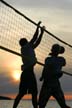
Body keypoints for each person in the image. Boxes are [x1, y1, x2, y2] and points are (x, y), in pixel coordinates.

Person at [13, 21, 45, 108]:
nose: (29, 42)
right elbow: (35, 38)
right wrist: (38, 28)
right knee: (29, 93)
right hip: (28, 73)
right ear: (26, 43)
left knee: (29, 93)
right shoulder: (26, 47)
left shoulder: (28, 48)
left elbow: (37, 42)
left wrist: (41, 32)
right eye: (28, 41)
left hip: (28, 72)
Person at [39, 44, 71, 108]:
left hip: (48, 83)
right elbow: (63, 64)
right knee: (63, 105)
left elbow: (45, 70)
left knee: (42, 105)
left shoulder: (48, 59)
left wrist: (42, 77)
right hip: (54, 83)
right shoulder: (61, 59)